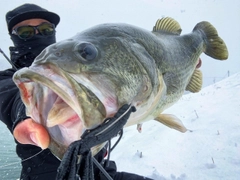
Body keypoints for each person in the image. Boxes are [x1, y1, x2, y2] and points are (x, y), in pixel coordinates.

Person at [0, 3, 153, 180]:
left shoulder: (83, 71)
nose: (38, 34)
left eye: (45, 29)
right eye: (25, 32)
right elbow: (11, 97)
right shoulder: (7, 78)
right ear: (13, 37)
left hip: (101, 173)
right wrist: (26, 112)